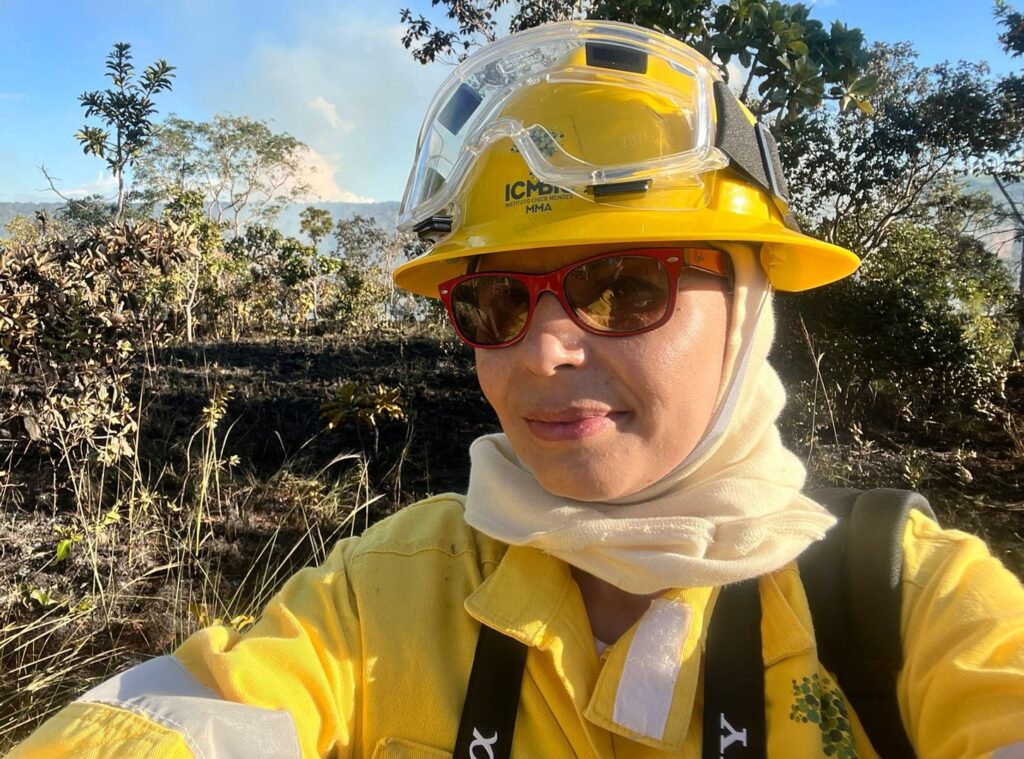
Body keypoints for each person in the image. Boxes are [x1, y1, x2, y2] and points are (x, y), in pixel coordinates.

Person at [10, 20, 1024, 759]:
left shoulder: (911, 606)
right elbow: (177, 722)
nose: (538, 355)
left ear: (750, 301)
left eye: (622, 287)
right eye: (493, 304)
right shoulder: (385, 594)